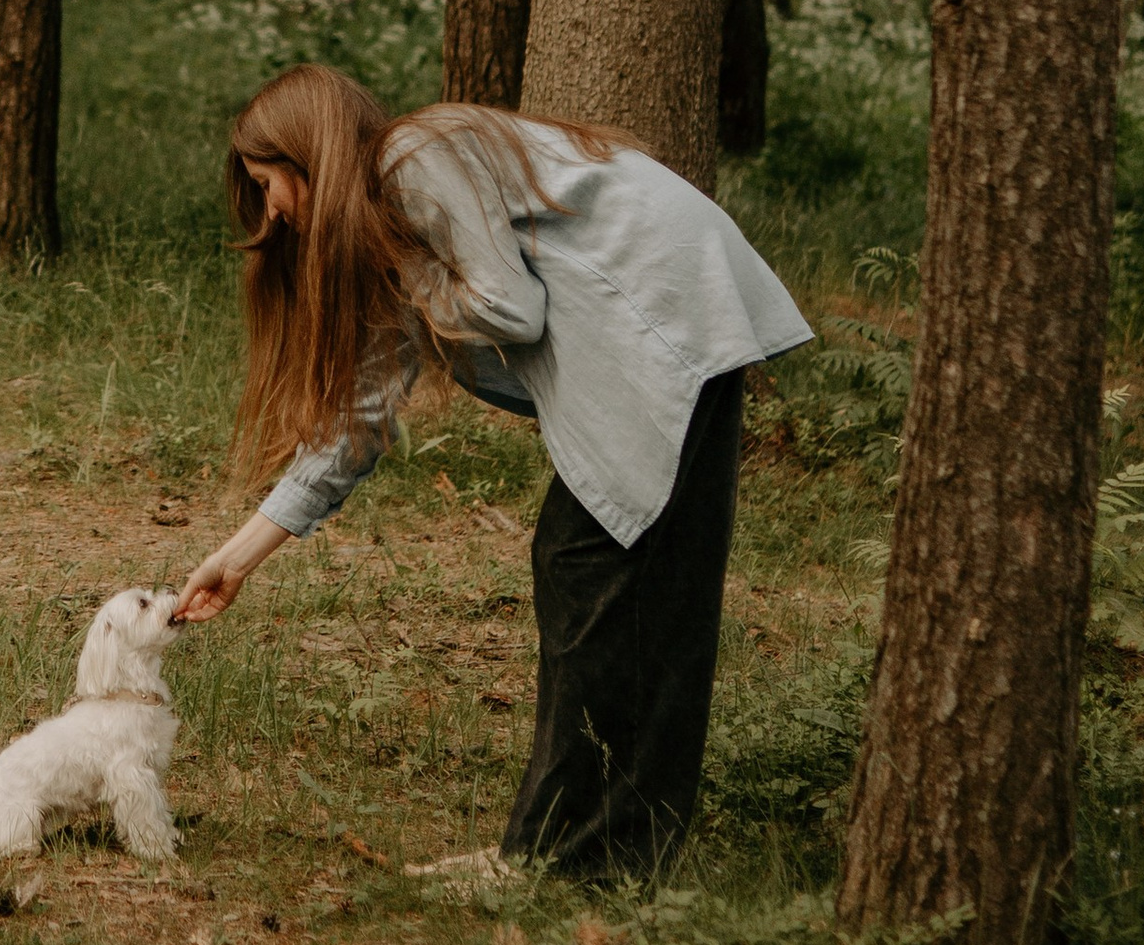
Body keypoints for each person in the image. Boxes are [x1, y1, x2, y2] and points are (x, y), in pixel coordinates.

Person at [170, 64, 811, 881]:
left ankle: (574, 860)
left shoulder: (413, 157)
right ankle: (581, 855)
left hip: (667, 309)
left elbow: (510, 307)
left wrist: (405, 279)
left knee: (596, 568)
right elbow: (354, 429)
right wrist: (238, 558)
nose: (273, 214)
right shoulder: (392, 220)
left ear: (311, 157)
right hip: (659, 323)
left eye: (269, 185)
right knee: (618, 577)